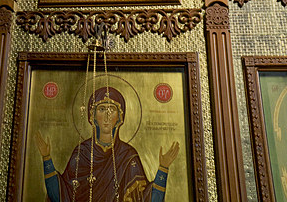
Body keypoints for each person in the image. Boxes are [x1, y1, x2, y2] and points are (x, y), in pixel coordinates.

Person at [35, 85, 179, 201]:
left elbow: (145, 199)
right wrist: (46, 158)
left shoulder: (128, 157)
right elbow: (61, 195)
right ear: (92, 116)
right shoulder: (82, 153)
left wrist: (163, 168)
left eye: (112, 109)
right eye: (102, 109)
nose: (107, 116)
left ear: (120, 117)